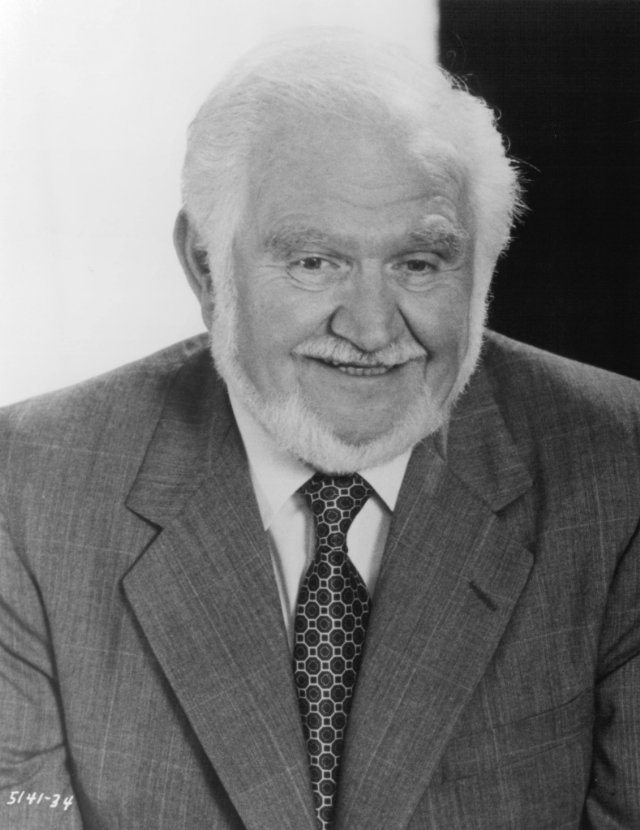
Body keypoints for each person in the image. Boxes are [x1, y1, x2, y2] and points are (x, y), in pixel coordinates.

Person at [1, 27, 639, 830]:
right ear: (206, 266)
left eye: (418, 263)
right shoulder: (30, 484)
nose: (371, 329)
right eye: (314, 262)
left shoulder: (620, 468)